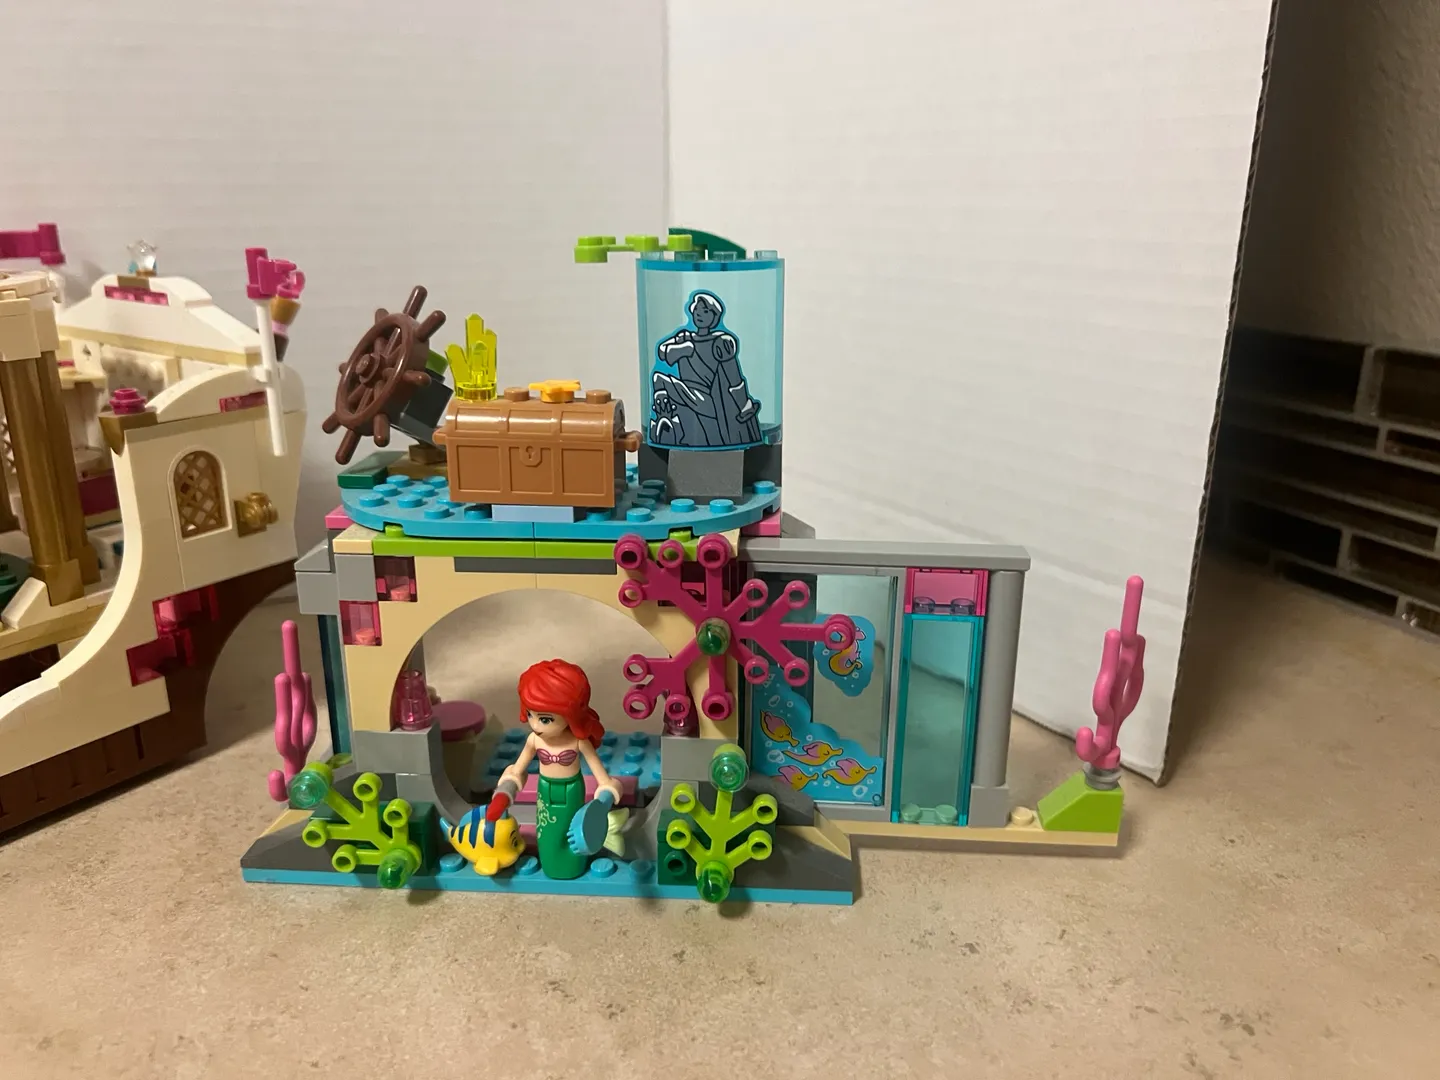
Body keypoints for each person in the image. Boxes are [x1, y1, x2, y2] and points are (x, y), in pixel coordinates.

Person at [494, 659, 623, 879]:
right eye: (531, 715)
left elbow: (603, 780)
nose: (535, 725)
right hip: (545, 790)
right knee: (547, 834)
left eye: (545, 719)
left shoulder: (578, 742)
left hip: (572, 791)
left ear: (570, 715)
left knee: (574, 835)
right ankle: (552, 866)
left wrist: (603, 801)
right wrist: (506, 790)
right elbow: (518, 770)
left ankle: (573, 867)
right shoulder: (534, 740)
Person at [649, 290, 762, 448]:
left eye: (706, 311)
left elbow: (734, 379)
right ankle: (664, 418)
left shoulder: (720, 342)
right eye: (697, 309)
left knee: (662, 381)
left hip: (707, 399)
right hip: (686, 391)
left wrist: (744, 405)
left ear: (715, 317)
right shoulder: (685, 337)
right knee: (658, 379)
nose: (699, 314)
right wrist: (682, 348)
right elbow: (662, 351)